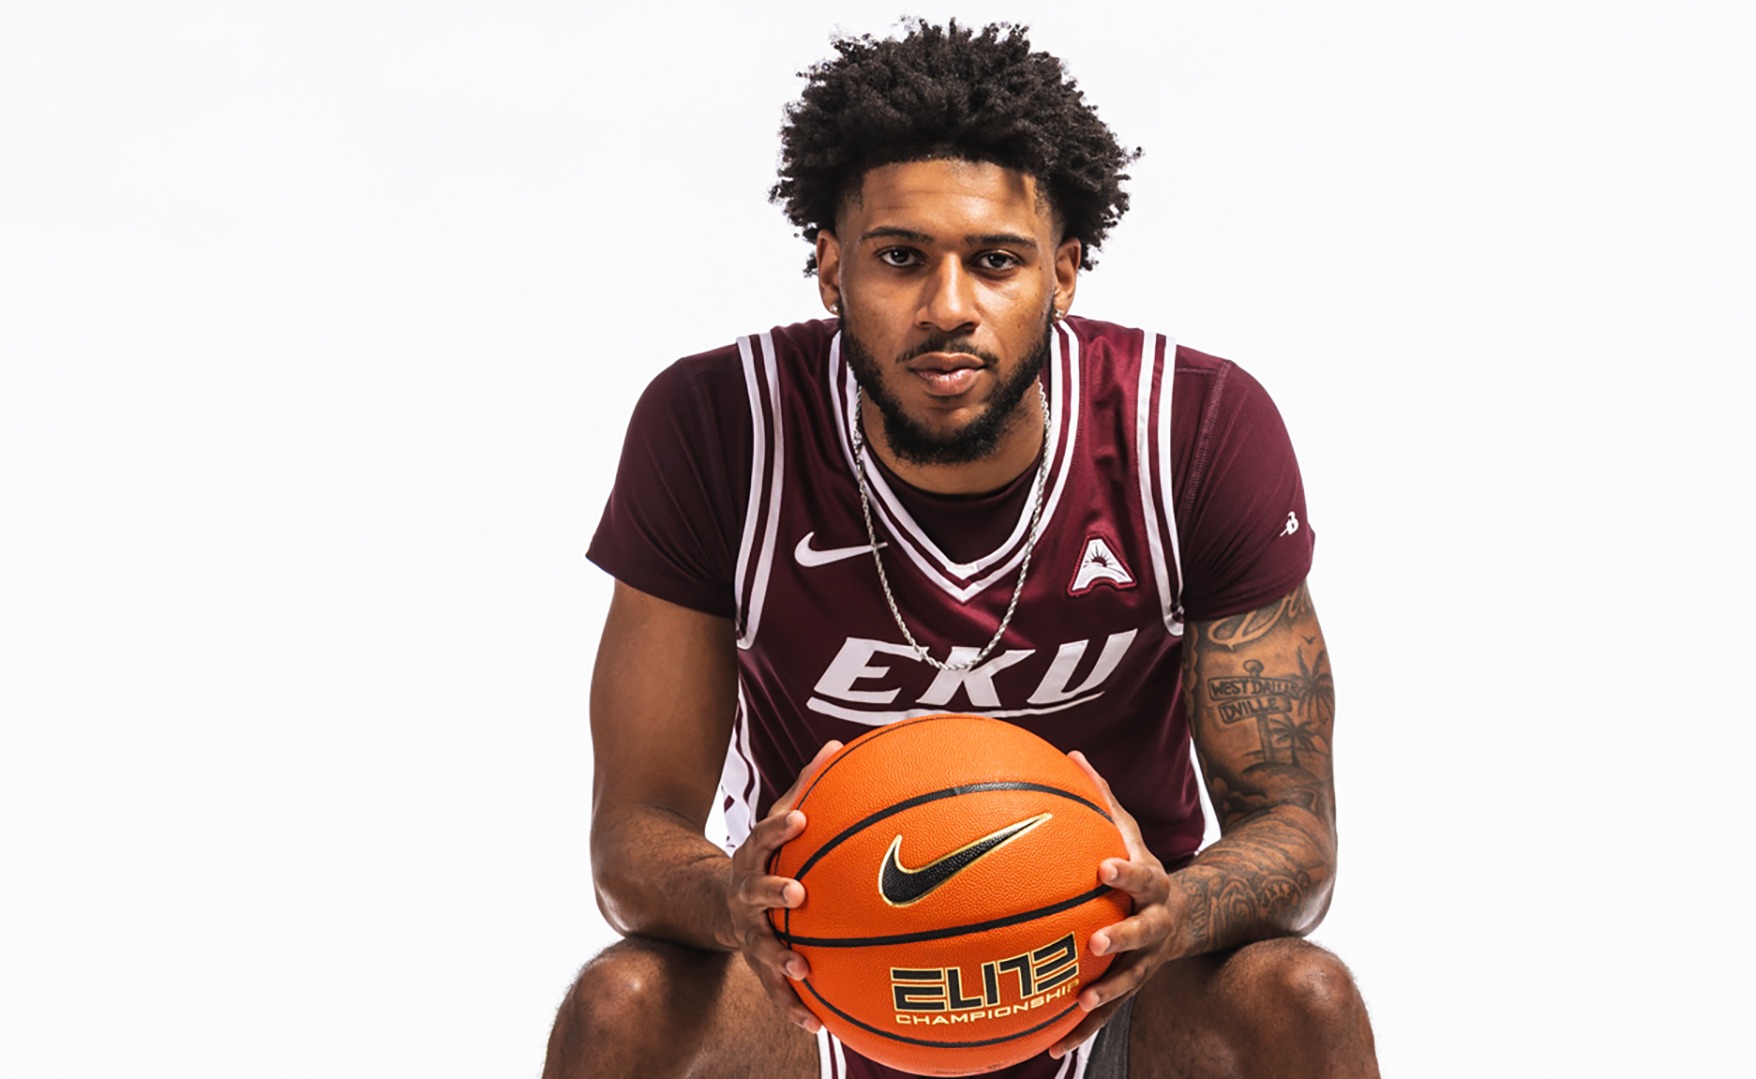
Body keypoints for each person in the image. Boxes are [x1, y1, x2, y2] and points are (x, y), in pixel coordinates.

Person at [544, 20, 1380, 1079]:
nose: (949, 308)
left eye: (996, 262)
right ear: (830, 269)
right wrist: (731, 898)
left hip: (1109, 973)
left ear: (1065, 274)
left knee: (1300, 998)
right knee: (621, 1007)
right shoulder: (721, 425)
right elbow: (633, 834)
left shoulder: (1192, 428)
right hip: (821, 976)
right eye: (901, 258)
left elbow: (1297, 838)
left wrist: (1179, 907)